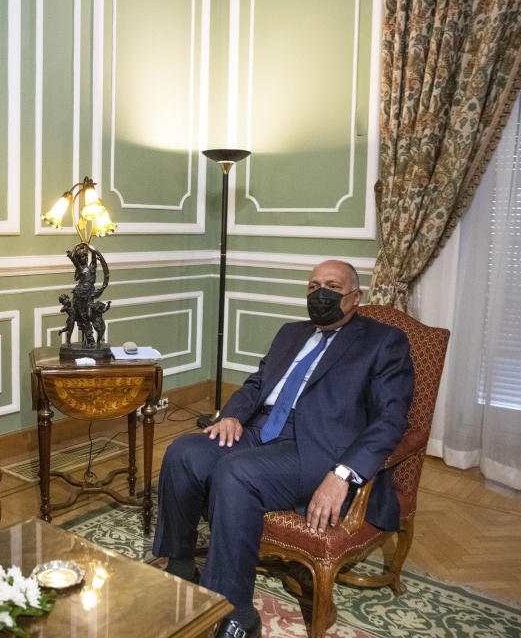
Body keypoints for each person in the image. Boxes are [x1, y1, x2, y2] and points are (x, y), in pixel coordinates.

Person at [153, 260, 415, 638]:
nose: (318, 294)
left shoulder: (384, 342)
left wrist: (344, 472)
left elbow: (391, 419)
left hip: (317, 449)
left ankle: (235, 612)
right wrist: (231, 416)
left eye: (330, 286)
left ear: (355, 297)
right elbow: (257, 385)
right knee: (184, 452)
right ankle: (179, 568)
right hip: (260, 429)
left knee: (234, 473)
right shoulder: (291, 332)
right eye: (312, 286)